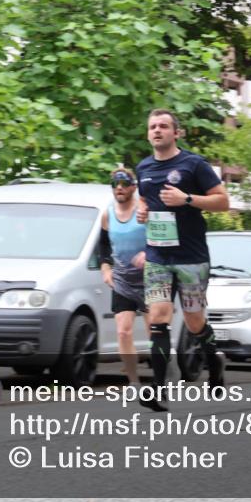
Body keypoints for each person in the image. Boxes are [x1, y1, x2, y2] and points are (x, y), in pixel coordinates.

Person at [135, 109, 230, 401]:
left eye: (163, 126)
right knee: (158, 317)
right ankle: (159, 386)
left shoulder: (193, 164)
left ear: (176, 133)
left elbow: (223, 201)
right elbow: (144, 197)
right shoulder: (144, 167)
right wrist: (142, 210)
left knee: (194, 322)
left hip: (191, 257)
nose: (157, 130)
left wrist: (187, 199)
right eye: (153, 127)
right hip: (158, 256)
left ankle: (214, 362)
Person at [98, 167, 159, 405]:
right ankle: (134, 382)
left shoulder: (144, 211)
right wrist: (105, 268)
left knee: (155, 331)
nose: (119, 188)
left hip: (149, 277)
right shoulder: (107, 214)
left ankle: (162, 376)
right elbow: (102, 246)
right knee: (123, 331)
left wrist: (148, 253)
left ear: (133, 187)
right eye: (115, 184)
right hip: (122, 279)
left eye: (124, 183)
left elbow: (163, 239)